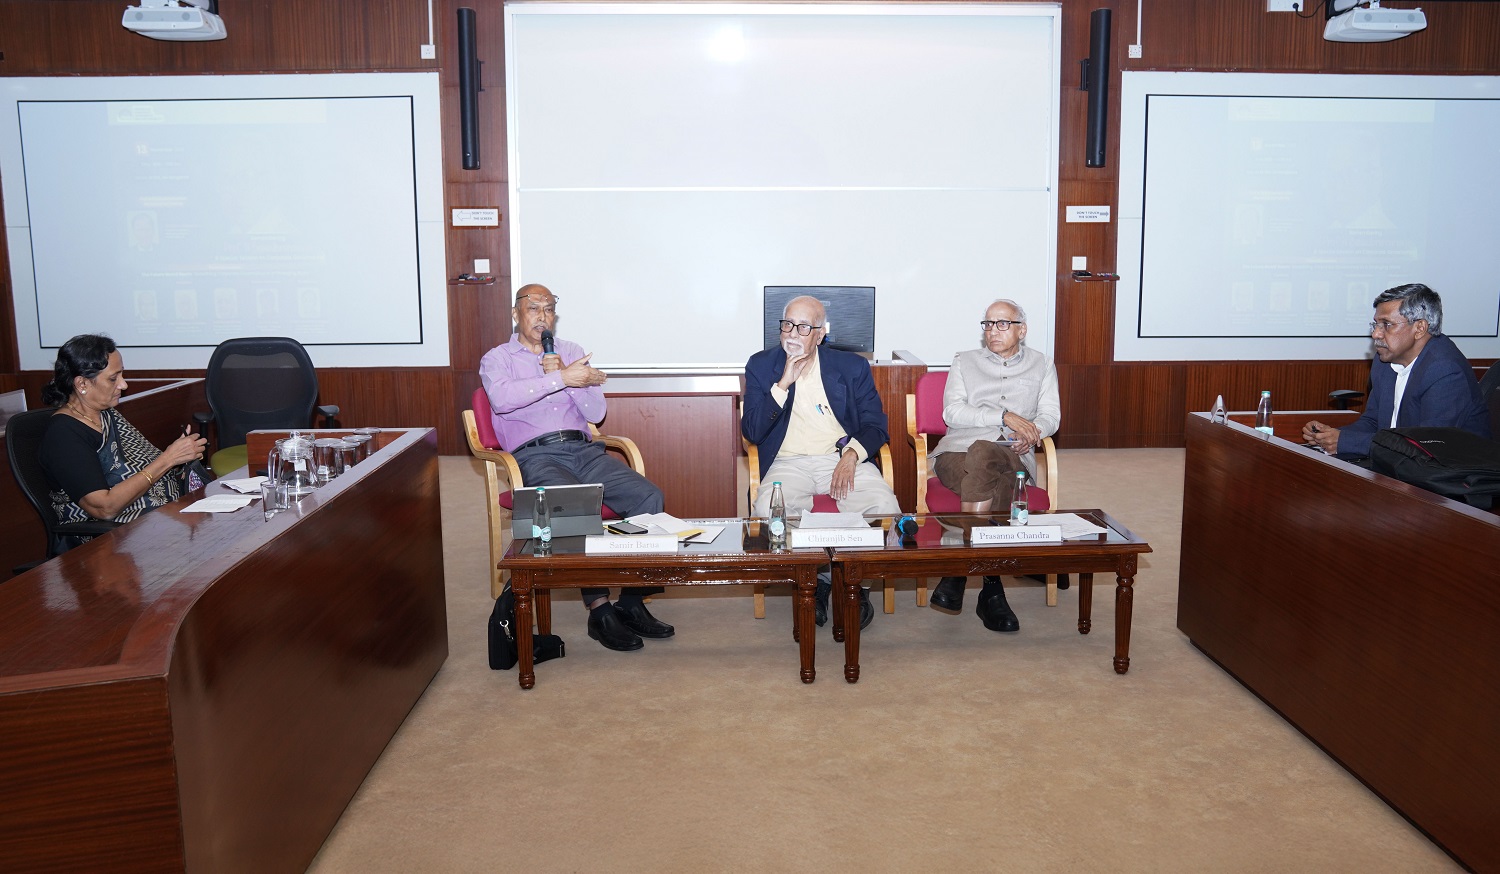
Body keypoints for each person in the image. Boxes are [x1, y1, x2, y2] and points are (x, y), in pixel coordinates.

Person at [479, 283, 675, 653]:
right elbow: (502, 401)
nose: (542, 315)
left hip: (584, 450)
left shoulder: (569, 351)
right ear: (515, 313)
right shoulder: (498, 358)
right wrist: (559, 379)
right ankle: (599, 611)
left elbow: (596, 414)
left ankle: (631, 603)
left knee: (649, 495)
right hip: (536, 455)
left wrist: (573, 381)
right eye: (533, 307)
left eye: (549, 308)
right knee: (576, 504)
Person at [742, 294, 901, 630]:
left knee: (884, 506)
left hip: (840, 457)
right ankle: (814, 584)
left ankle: (860, 588)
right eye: (787, 325)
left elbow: (876, 424)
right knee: (770, 512)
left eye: (803, 327)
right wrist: (783, 382)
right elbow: (753, 431)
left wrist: (852, 455)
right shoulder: (761, 365)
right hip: (788, 462)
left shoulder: (851, 367)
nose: (792, 335)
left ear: (820, 333)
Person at [927, 299, 1060, 633]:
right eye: (987, 324)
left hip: (1013, 453)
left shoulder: (1042, 365)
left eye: (1001, 324)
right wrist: (1002, 416)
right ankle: (991, 587)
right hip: (957, 453)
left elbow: (1051, 415)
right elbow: (951, 413)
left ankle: (959, 569)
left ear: (1021, 329)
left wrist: (1033, 432)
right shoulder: (964, 362)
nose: (992, 331)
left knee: (987, 454)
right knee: (984, 460)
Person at [38, 334, 208, 542]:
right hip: (106, 542)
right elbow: (104, 508)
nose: (124, 385)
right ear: (82, 383)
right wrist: (168, 459)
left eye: (121, 375)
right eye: (113, 378)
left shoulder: (107, 415)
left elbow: (142, 467)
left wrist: (178, 456)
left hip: (153, 520)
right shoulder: (64, 435)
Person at [1303, 283, 1490, 457]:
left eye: (1386, 324)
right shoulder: (1385, 360)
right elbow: (1373, 422)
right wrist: (1330, 436)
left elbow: (1425, 447)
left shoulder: (1445, 370)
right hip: (1397, 467)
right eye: (1375, 324)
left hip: (1448, 482)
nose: (1376, 333)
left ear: (1419, 328)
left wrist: (1346, 442)